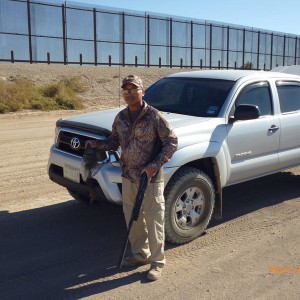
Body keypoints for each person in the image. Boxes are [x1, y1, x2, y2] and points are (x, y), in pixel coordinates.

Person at [85, 75, 178, 281]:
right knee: (133, 217)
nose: (129, 94)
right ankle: (140, 255)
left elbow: (171, 142)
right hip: (128, 175)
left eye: (133, 90)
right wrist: (96, 145)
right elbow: (114, 141)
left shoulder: (154, 116)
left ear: (142, 91)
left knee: (154, 220)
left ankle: (157, 262)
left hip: (150, 178)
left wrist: (153, 167)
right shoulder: (120, 117)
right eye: (125, 91)